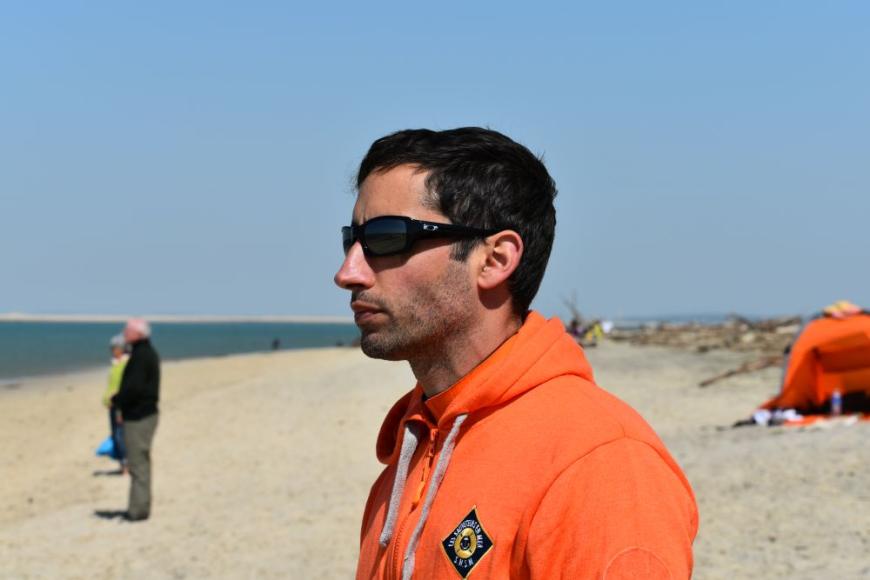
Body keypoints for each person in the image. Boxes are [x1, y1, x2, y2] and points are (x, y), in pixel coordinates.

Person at [334, 128, 698, 579]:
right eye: (351, 239)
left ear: (495, 259)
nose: (348, 272)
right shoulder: (415, 444)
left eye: (387, 237)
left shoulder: (599, 464)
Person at [111, 318, 160, 522]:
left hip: (140, 416)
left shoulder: (142, 356)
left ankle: (137, 510)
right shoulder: (142, 353)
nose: (124, 333)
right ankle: (140, 507)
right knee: (141, 462)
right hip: (142, 414)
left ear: (139, 334)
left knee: (138, 463)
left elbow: (134, 388)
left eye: (128, 330)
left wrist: (117, 400)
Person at [101, 333, 129, 473]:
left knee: (120, 435)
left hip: (121, 405)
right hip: (112, 405)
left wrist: (120, 406)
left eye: (114, 348)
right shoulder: (114, 364)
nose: (112, 350)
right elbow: (111, 385)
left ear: (121, 348)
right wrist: (106, 400)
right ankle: (122, 464)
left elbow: (124, 387)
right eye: (111, 348)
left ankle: (126, 464)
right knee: (115, 434)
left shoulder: (126, 364)